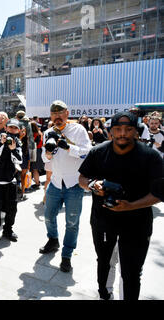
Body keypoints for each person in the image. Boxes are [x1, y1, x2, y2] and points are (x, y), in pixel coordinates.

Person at [78, 111, 163, 300]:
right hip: (103, 221)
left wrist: (131, 206)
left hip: (137, 223)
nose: (122, 133)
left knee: (131, 271)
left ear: (137, 132)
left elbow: (159, 193)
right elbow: (82, 178)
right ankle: (105, 294)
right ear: (110, 132)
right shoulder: (98, 151)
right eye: (117, 129)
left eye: (128, 129)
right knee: (105, 262)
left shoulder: (151, 157)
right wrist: (93, 185)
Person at [39, 100, 92, 273]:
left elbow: (87, 152)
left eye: (60, 114)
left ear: (67, 114)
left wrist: (68, 147)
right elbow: (45, 159)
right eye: (54, 114)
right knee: (48, 216)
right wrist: (47, 153)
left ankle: (67, 255)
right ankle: (53, 239)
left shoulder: (78, 130)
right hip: (55, 181)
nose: (57, 117)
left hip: (74, 184)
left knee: (72, 222)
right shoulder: (48, 132)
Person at [0, 118, 22, 241]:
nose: (12, 130)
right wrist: (2, 145)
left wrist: (13, 150)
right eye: (11, 127)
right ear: (6, 128)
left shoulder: (17, 142)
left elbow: (19, 161)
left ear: (18, 130)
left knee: (12, 209)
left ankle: (8, 230)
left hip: (10, 180)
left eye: (15, 128)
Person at [30, 121, 44, 190]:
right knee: (36, 169)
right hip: (39, 151)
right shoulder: (40, 133)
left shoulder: (33, 134)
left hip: (34, 151)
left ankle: (37, 184)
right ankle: (37, 181)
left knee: (35, 169)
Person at [19, 126, 30, 200]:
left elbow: (28, 154)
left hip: (24, 161)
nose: (23, 133)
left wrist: (29, 164)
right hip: (16, 161)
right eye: (21, 131)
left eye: (24, 131)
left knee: (23, 178)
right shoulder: (15, 140)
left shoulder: (26, 141)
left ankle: (23, 193)